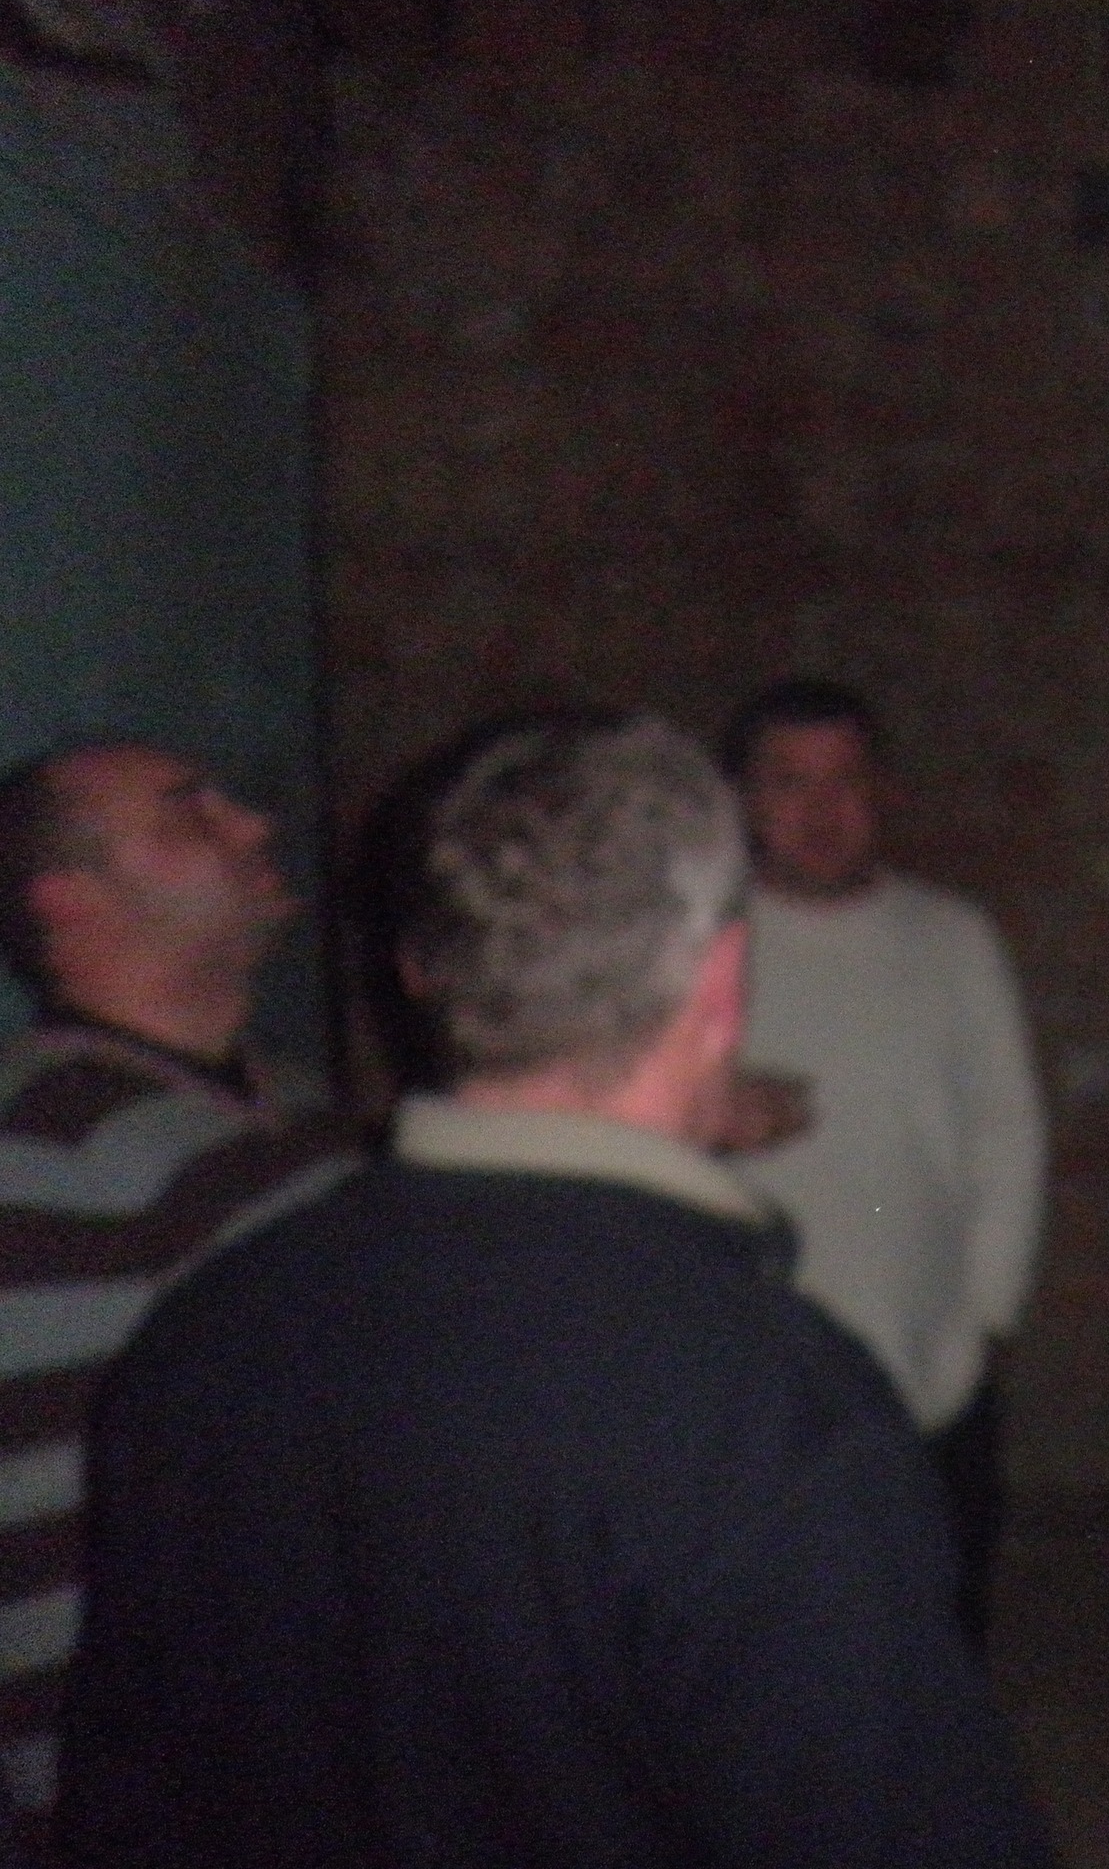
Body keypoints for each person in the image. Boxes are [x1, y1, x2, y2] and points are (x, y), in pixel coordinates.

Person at [59, 714, 1054, 1868]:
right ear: (721, 984)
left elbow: (125, 1801)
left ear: (423, 976)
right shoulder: (777, 1414)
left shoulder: (212, 1326)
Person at [0, 744, 357, 1855]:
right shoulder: (39, 1142)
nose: (253, 826)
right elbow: (41, 1523)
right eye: (189, 814)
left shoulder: (313, 1114)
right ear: (68, 899)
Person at [715, 679, 1045, 1650]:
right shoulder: (699, 946)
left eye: (845, 781)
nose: (820, 811)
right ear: (744, 800)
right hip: (752, 1386)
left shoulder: (952, 938)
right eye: (789, 783)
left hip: (927, 1370)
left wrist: (988, 1316)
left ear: (883, 792)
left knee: (934, 1642)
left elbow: (1007, 1134)